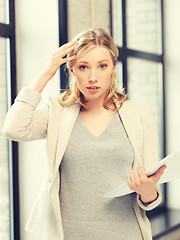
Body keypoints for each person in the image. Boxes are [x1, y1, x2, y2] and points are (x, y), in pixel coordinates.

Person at [3, 28, 166, 240]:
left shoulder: (140, 115)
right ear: (72, 70)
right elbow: (13, 128)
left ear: (113, 68)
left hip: (126, 233)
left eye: (102, 66)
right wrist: (47, 71)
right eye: (83, 67)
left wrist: (146, 189)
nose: (92, 77)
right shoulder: (56, 111)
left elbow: (151, 198)